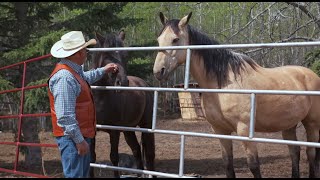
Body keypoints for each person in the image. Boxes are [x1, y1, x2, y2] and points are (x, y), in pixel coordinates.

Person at [47, 31, 118, 178]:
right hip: (72, 139)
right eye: (85, 50)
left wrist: (103, 70)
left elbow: (85, 78)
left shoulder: (73, 72)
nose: (87, 53)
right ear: (78, 53)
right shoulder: (64, 78)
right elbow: (65, 117)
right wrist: (79, 141)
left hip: (77, 136)